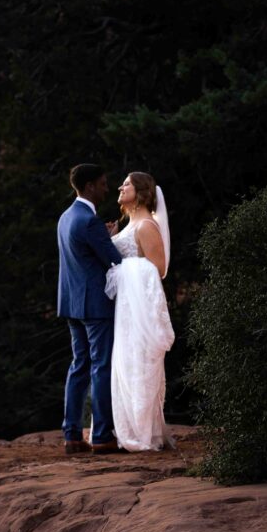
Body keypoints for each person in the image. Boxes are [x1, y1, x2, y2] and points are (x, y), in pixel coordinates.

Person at [105, 171, 175, 451]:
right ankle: (131, 427)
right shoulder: (129, 223)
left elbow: (158, 268)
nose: (120, 187)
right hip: (126, 307)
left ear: (141, 191)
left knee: (139, 362)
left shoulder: (146, 225)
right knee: (125, 361)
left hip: (139, 309)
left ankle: (143, 432)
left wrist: (123, 269)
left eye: (127, 184)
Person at [57, 163, 123, 455]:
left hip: (71, 303)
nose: (107, 189)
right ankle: (101, 436)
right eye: (103, 183)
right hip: (95, 305)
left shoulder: (65, 217)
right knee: (101, 367)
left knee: (79, 366)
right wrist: (110, 238)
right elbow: (112, 259)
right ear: (88, 187)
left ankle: (72, 434)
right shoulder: (90, 221)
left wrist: (102, 237)